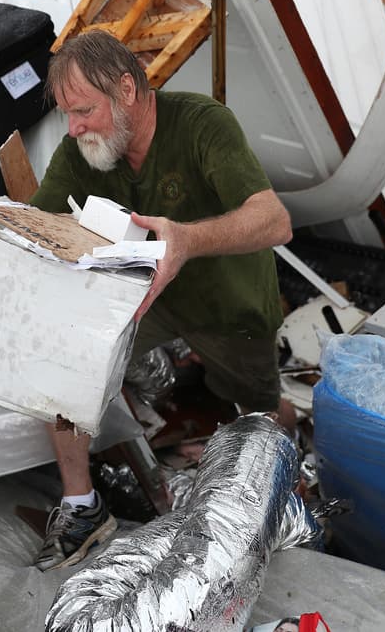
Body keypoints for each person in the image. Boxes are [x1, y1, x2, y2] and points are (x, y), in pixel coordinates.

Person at [27, 30, 296, 571]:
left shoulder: (202, 123)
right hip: (139, 301)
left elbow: (275, 221)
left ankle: (287, 478)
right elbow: (39, 227)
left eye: (83, 111)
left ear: (127, 89)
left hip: (230, 303)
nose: (74, 127)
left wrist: (187, 240)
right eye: (67, 115)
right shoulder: (81, 149)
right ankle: (82, 507)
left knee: (262, 411)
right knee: (60, 362)